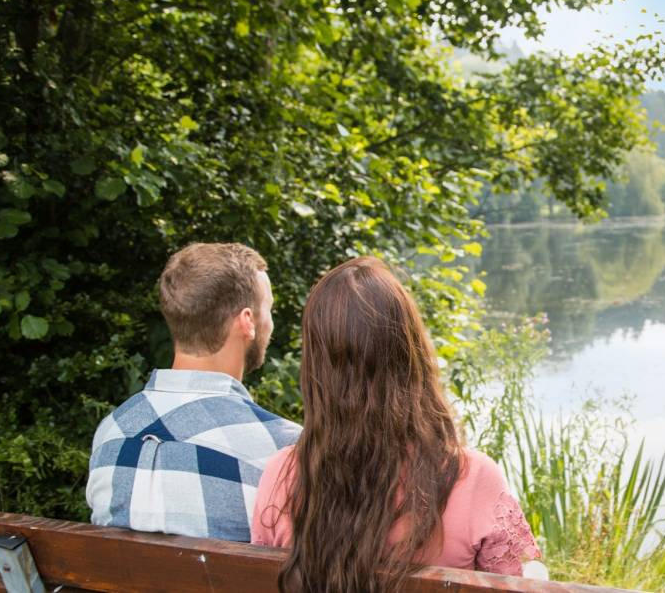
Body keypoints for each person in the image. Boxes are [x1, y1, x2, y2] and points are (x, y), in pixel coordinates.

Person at [250, 257, 539, 591]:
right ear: (410, 352)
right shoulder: (472, 478)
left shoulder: (283, 477)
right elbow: (516, 584)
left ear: (318, 367)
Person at [86, 243, 301, 542]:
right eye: (270, 309)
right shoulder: (284, 448)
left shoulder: (111, 431)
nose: (271, 322)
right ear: (247, 321)